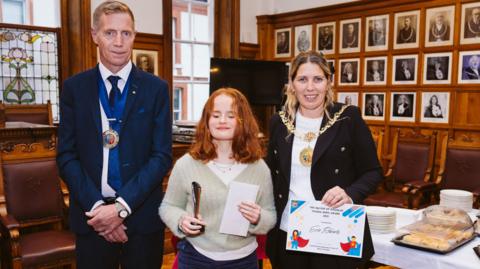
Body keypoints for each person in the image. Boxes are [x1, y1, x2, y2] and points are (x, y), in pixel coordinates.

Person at [56, 1, 172, 268]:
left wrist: (121, 207)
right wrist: (100, 209)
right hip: (92, 219)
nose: (119, 41)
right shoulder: (74, 88)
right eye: (110, 33)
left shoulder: (156, 89)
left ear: (134, 36)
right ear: (94, 36)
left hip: (141, 219)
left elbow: (161, 156)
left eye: (126, 33)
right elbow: (66, 156)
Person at [266, 51, 382, 269]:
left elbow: (373, 172)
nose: (310, 88)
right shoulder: (278, 122)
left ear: (329, 82)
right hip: (289, 232)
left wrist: (349, 193)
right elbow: (269, 174)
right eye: (302, 79)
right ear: (291, 83)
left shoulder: (348, 118)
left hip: (335, 231)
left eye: (318, 79)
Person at [160, 88, 276, 269]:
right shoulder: (187, 164)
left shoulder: (259, 168)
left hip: (243, 262)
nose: (222, 121)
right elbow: (168, 207)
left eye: (231, 115)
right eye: (215, 115)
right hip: (195, 259)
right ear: (206, 121)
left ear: (243, 122)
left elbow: (270, 215)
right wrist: (181, 220)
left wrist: (258, 218)